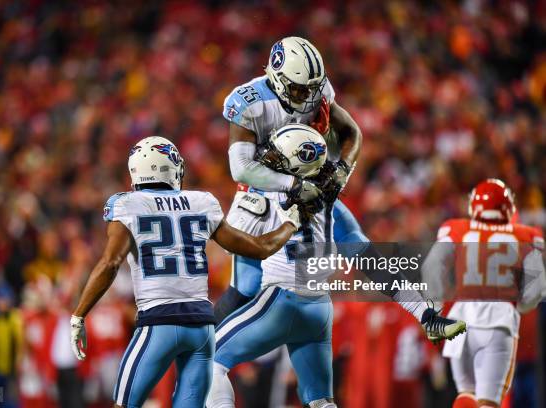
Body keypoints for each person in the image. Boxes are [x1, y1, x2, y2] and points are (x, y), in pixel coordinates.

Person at [216, 36, 465, 341]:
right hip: (260, 195)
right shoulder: (249, 101)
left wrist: (342, 172)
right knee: (244, 290)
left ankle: (425, 315)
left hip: (309, 183)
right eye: (299, 89)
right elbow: (240, 168)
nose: (308, 96)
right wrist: (292, 183)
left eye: (312, 88)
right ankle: (197, 355)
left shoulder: (316, 90)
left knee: (358, 246)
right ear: (277, 77)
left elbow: (351, 132)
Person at [206, 124, 466, 408]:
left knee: (208, 361)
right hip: (318, 309)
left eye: (278, 156)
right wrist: (424, 312)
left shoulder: (262, 196)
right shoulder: (333, 206)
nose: (270, 161)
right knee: (321, 401)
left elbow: (233, 246)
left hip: (280, 301)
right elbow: (374, 264)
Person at [69, 136, 303, 408]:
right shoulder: (201, 202)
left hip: (158, 322)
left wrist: (79, 315)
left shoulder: (126, 204)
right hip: (202, 327)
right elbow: (259, 248)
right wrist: (289, 225)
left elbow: (110, 263)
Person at [423, 179, 545, 408]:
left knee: (466, 396)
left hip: (460, 320)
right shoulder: (526, 235)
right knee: (489, 402)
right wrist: (521, 307)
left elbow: (431, 268)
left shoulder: (456, 228)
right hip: (499, 320)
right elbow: (537, 289)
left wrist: (435, 304)